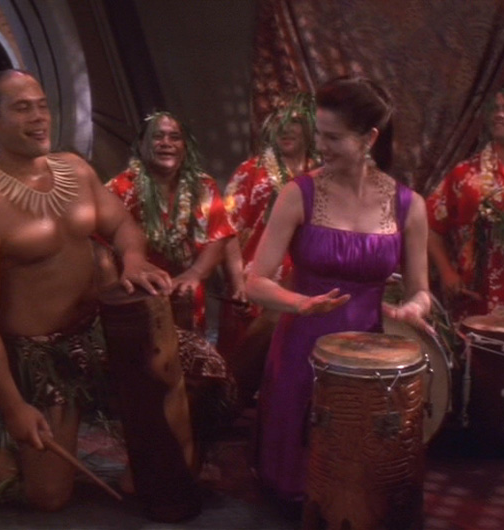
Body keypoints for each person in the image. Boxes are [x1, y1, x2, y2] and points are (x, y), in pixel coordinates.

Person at [0, 69, 173, 511]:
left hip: (102, 330)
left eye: (42, 106)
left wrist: (133, 258)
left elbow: (121, 224)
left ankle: (142, 463)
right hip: (44, 358)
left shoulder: (76, 170)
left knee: (198, 373)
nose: (38, 117)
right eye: (22, 108)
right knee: (47, 496)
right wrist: (13, 406)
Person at [245, 75, 432, 508]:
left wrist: (413, 308)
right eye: (319, 134)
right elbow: (255, 282)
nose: (320, 146)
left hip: (370, 359)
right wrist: (300, 303)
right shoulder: (298, 194)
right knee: (298, 492)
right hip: (301, 350)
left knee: (358, 492)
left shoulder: (409, 205)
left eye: (332, 137)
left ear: (369, 138)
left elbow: (421, 290)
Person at [105, 111, 238, 459]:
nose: (166, 143)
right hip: (137, 299)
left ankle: (185, 448)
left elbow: (219, 236)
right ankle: (145, 453)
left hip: (185, 296)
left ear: (185, 145)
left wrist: (194, 274)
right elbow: (99, 244)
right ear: (141, 145)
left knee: (187, 375)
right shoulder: (121, 189)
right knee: (143, 380)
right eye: (158, 137)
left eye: (174, 137)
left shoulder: (203, 186)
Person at [220, 93, 320, 406]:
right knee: (240, 371)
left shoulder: (322, 176)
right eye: (279, 122)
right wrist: (236, 281)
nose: (286, 129)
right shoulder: (251, 172)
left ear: (310, 128)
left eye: (295, 122)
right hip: (252, 287)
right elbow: (226, 230)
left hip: (302, 291)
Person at [426, 80, 504, 326]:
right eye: (495, 108)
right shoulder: (465, 175)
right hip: (476, 315)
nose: (499, 115)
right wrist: (447, 272)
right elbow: (429, 225)